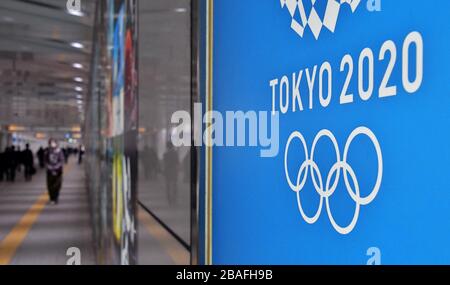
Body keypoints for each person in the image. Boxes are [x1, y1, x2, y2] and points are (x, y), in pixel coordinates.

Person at [46, 139, 64, 205]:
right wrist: (50, 167)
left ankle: (56, 198)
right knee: (50, 186)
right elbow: (45, 161)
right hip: (49, 171)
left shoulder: (60, 151)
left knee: (57, 185)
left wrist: (55, 168)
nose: (52, 144)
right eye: (51, 143)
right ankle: (51, 198)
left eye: (53, 143)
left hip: (58, 171)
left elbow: (61, 161)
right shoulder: (47, 151)